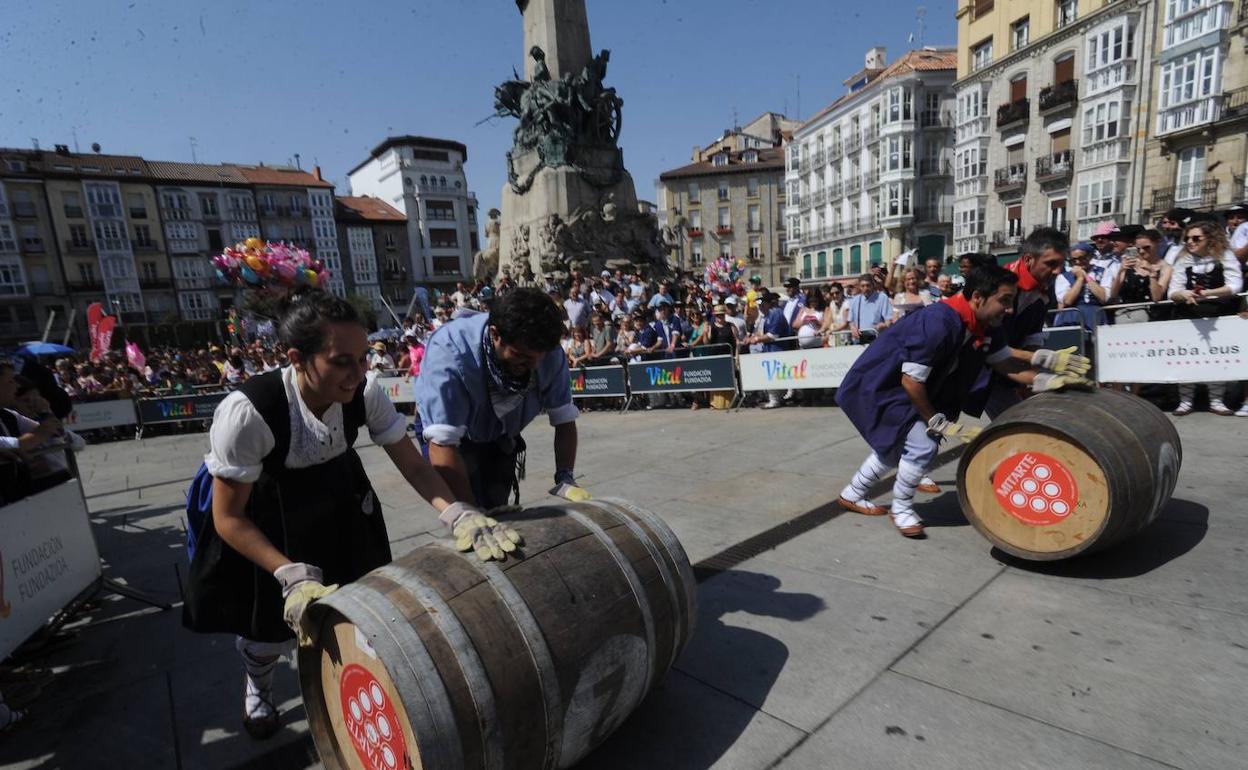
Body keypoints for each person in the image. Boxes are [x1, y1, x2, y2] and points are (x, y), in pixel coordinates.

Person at [182, 291, 489, 740]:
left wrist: (457, 513)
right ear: (297, 358)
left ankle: (355, 682)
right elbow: (229, 518)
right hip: (267, 512)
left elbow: (415, 464)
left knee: (358, 605)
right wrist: (287, 572)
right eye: (342, 361)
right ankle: (258, 686)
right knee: (268, 626)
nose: (359, 372)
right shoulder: (247, 411)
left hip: (340, 498)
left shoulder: (366, 391)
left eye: (364, 358)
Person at [835, 265, 1093, 537]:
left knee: (894, 446)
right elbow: (911, 381)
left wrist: (1047, 379)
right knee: (923, 444)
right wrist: (935, 421)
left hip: (912, 387)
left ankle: (852, 493)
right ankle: (901, 509)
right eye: (1004, 300)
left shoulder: (986, 323)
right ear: (979, 297)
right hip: (884, 386)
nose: (1009, 309)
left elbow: (1003, 363)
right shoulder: (939, 321)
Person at [414, 286, 589, 507]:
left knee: (497, 504)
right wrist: (469, 514)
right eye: (522, 356)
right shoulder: (450, 351)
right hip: (449, 433)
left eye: (539, 357)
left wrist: (565, 476)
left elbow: (564, 421)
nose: (534, 365)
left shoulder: (550, 353)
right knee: (468, 510)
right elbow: (443, 444)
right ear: (495, 335)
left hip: (500, 429)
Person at [1167, 220, 1245, 416]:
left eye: (1196, 238)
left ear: (1210, 239)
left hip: (1218, 314)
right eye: (1187, 239)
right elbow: (1172, 291)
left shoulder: (1224, 256)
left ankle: (1216, 401)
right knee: (1186, 358)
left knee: (1216, 358)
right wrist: (1183, 294)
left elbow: (1235, 285)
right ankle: (1185, 401)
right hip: (1188, 315)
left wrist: (1208, 293)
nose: (1190, 242)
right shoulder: (1183, 260)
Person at [846, 273, 892, 344]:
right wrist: (853, 328)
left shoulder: (882, 297)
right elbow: (850, 321)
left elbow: (888, 321)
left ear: (873, 285)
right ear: (859, 287)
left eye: (868, 285)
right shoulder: (855, 300)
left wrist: (883, 325)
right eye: (863, 286)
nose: (865, 288)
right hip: (860, 340)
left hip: (877, 339)